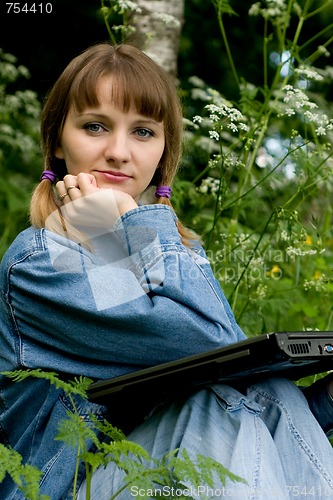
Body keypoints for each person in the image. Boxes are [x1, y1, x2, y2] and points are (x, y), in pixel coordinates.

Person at [0, 42, 333, 500]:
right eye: (95, 126)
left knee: (276, 393)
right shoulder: (40, 264)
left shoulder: (156, 247)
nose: (118, 152)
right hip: (58, 488)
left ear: (163, 152)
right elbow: (210, 341)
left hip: (155, 467)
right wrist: (129, 217)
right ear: (57, 140)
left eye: (142, 132)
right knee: (211, 407)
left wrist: (324, 404)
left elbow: (228, 367)